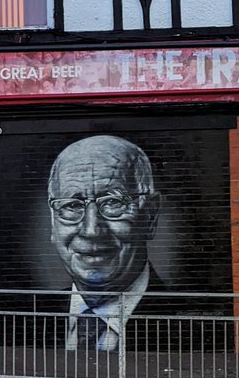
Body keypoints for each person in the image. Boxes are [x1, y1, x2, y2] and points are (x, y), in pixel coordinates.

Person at [39, 135, 182, 352]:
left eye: (113, 202)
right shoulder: (32, 316)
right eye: (72, 205)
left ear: (150, 216)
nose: (91, 230)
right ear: (53, 220)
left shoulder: (189, 324)